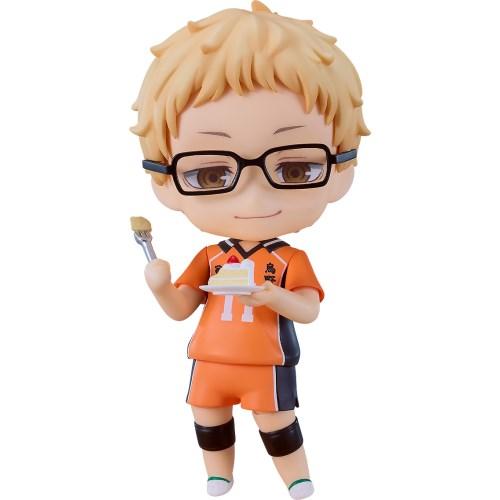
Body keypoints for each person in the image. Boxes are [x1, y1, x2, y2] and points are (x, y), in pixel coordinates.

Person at [131, 1, 369, 498]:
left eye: (296, 169)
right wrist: (158, 282)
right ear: (164, 179)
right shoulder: (211, 257)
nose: (254, 201)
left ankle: (296, 476)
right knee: (207, 415)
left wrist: (272, 296)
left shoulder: (288, 260)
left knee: (276, 422)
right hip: (210, 359)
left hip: (266, 361)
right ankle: (219, 473)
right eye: (211, 174)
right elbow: (181, 308)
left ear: (341, 171)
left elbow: (309, 310)